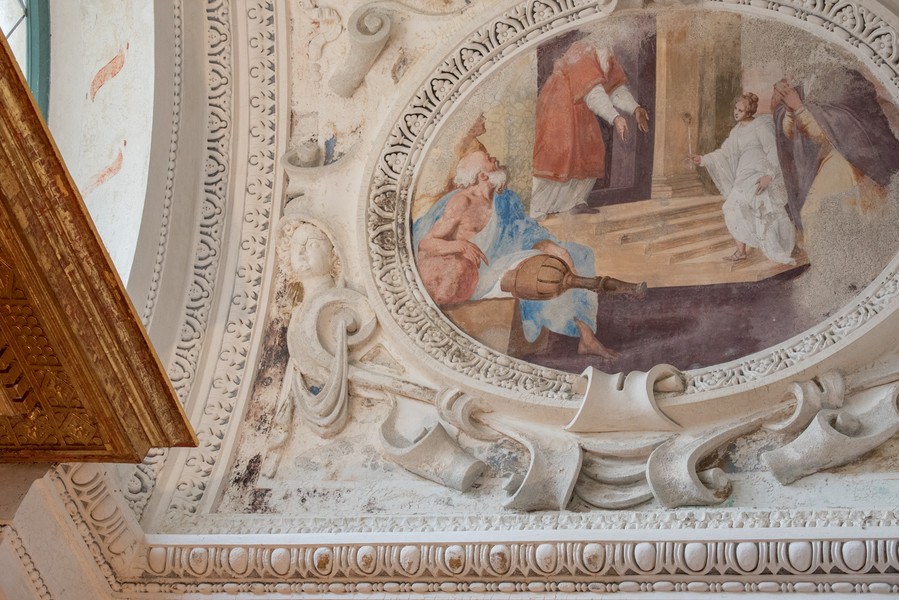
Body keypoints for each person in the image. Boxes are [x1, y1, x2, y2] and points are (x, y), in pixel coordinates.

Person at [413, 150, 619, 359]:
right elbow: (426, 244)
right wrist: (460, 246)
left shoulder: (506, 199)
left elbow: (526, 231)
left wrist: (552, 246)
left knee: (578, 253)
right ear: (481, 175)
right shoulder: (462, 203)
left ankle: (587, 337)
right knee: (544, 270)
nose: (496, 160)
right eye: (489, 160)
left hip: (504, 260)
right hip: (477, 275)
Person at [530, 41, 649, 220]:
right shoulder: (582, 49)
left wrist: (635, 108)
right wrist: (615, 117)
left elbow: (615, 88)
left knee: (591, 150)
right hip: (559, 102)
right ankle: (538, 207)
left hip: (581, 105)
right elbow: (593, 92)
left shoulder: (607, 53)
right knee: (557, 153)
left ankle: (576, 202)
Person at [772, 69, 899, 234]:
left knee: (817, 212)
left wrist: (798, 108)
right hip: (821, 161)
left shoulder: (845, 80)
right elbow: (792, 136)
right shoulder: (803, 87)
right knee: (812, 213)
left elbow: (828, 133)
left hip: (852, 161)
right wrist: (790, 110)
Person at [691, 92, 796, 264]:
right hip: (743, 176)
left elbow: (773, 150)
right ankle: (741, 251)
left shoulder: (760, 126)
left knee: (764, 210)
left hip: (760, 175)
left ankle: (777, 249)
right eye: (735, 108)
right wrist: (703, 159)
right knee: (731, 207)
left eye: (740, 110)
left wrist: (769, 176)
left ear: (749, 111)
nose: (736, 112)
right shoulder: (736, 132)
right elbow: (725, 153)